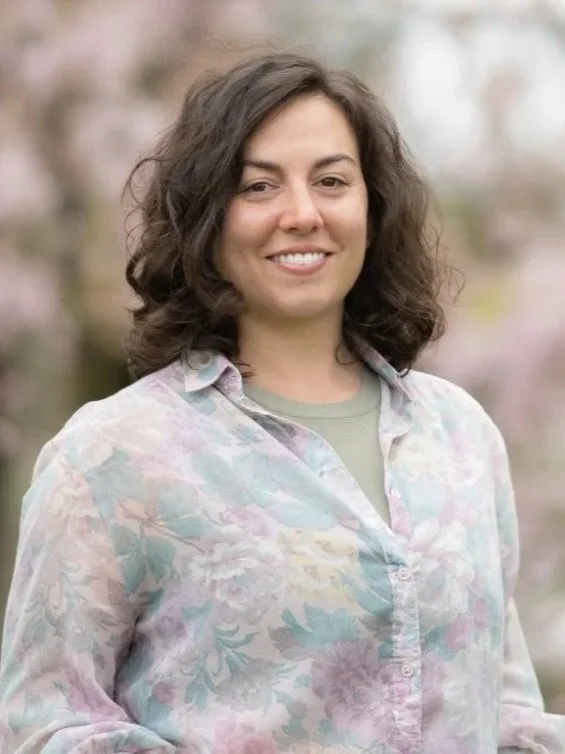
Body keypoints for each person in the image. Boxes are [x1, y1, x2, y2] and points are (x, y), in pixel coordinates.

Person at [0, 52, 563, 754]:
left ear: (371, 207)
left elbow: (501, 706)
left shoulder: (459, 434)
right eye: (258, 187)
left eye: (331, 181)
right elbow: (46, 723)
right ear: (207, 215)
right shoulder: (115, 454)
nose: (302, 214)